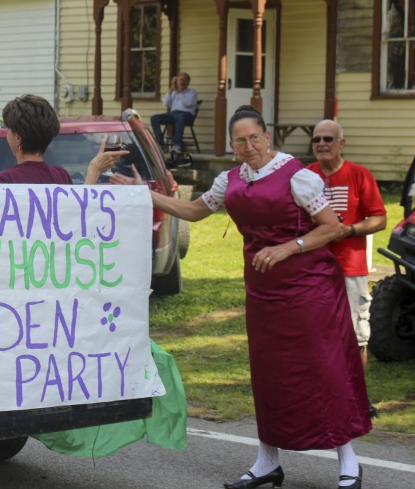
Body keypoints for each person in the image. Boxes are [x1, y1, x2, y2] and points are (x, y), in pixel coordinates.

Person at [106, 105, 370, 489]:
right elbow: (194, 211)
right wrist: (144, 195)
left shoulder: (297, 176)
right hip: (264, 292)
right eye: (240, 141)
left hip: (309, 289)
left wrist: (287, 248)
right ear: (232, 144)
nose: (249, 146)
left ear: (267, 137)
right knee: (269, 374)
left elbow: (332, 228)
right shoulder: (230, 180)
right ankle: (267, 462)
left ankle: (348, 462)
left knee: (323, 368)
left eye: (254, 138)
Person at [306, 120, 387, 416]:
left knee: (355, 334)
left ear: (342, 142)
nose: (322, 144)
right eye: (317, 139)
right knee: (315, 334)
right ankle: (321, 396)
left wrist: (349, 231)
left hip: (350, 268)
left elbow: (379, 218)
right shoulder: (305, 177)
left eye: (328, 138)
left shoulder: (359, 175)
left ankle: (357, 397)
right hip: (312, 269)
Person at [150, 72, 198, 153]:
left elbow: (188, 103)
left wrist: (179, 92)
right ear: (177, 81)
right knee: (154, 118)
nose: (182, 82)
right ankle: (161, 145)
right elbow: (166, 103)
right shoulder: (173, 92)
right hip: (173, 115)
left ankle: (177, 144)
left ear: (188, 82)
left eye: (184, 80)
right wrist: (170, 90)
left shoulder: (192, 92)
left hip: (187, 115)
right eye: (180, 80)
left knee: (180, 116)